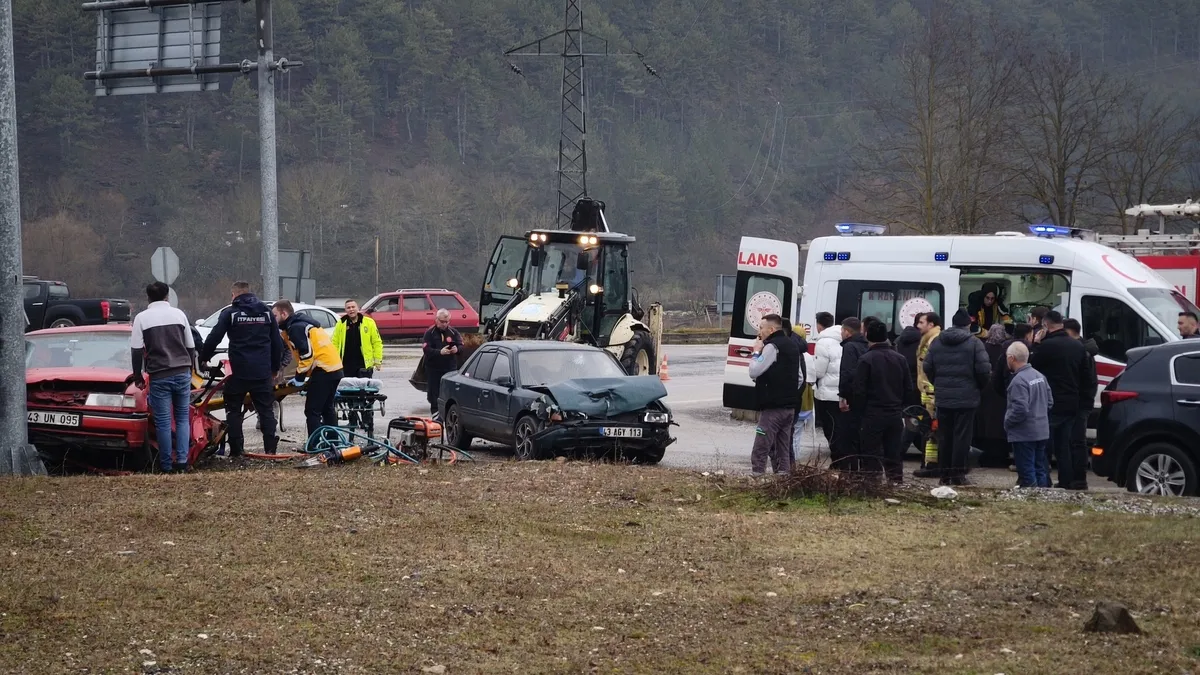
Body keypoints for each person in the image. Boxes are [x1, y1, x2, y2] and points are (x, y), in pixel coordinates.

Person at [200, 281, 284, 456]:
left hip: (238, 371)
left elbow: (215, 336)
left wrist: (204, 357)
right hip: (261, 371)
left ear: (234, 295)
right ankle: (270, 449)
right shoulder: (266, 313)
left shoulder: (230, 313)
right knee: (266, 410)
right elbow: (277, 344)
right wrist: (275, 368)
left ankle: (237, 450)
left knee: (233, 410)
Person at [131, 282, 196, 473]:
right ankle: (182, 461)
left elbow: (136, 350)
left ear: (148, 297)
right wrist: (189, 368)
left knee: (163, 422)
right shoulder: (179, 314)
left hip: (159, 374)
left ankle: (166, 465)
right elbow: (190, 345)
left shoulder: (141, 318)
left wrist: (137, 376)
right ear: (167, 296)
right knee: (183, 418)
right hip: (182, 371)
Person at [1028, 311, 1095, 490]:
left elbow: (1031, 367)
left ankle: (1044, 480)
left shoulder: (1046, 346)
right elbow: (1087, 377)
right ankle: (1066, 480)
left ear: (1046, 326)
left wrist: (1035, 344)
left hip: (1049, 402)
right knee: (1064, 445)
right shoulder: (1078, 347)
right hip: (1072, 403)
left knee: (1044, 444)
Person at [923, 309, 990, 485]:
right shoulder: (975, 343)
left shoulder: (937, 342)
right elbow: (984, 371)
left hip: (944, 397)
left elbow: (927, 367)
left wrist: (938, 384)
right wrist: (977, 387)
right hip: (967, 399)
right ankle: (958, 475)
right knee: (962, 437)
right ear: (968, 324)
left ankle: (944, 475)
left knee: (944, 436)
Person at [852, 320, 914, 482]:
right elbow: (908, 388)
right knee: (893, 452)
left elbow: (859, 390)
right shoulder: (900, 359)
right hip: (894, 414)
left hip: (872, 414)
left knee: (870, 453)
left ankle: (872, 484)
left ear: (866, 335)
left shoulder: (866, 359)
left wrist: (859, 412)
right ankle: (895, 482)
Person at [274, 300, 344, 440]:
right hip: (334, 368)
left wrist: (299, 377)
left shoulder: (295, 327)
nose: (273, 319)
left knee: (312, 410)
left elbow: (307, 355)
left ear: (284, 313)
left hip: (324, 369)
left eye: (275, 315)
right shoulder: (303, 324)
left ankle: (315, 443)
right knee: (327, 408)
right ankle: (333, 441)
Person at [748, 313, 800, 475]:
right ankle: (783, 478)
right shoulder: (792, 345)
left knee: (761, 443)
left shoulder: (772, 347)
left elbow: (754, 371)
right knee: (783, 446)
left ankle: (757, 475)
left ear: (771, 329)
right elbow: (800, 377)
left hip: (772, 407)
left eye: (761, 328)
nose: (759, 332)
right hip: (789, 408)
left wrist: (756, 352)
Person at [1004, 341, 1053, 488]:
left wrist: (1008, 422)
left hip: (1024, 432)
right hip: (1042, 430)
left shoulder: (1018, 381)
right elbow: (1049, 402)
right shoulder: (1039, 376)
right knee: (1040, 467)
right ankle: (1042, 495)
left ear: (1011, 358)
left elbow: (1020, 409)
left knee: (1027, 469)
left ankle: (1031, 495)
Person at [1064, 317, 1098, 489]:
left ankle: (1078, 479)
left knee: (1077, 441)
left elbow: (1085, 381)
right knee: (1076, 440)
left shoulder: (1081, 352)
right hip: (1081, 402)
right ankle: (1075, 478)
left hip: (1078, 403)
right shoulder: (1085, 351)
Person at [975, 323, 1012, 466]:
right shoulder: (1006, 350)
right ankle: (1000, 456)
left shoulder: (983, 347)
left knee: (985, 424)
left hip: (985, 392)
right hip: (1000, 393)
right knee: (1000, 425)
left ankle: (985, 455)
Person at [835, 317, 868, 470]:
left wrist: (843, 397)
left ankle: (850, 472)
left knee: (848, 438)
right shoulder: (867, 345)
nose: (840, 333)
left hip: (852, 398)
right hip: (866, 398)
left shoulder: (849, 347)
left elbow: (846, 373)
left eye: (842, 330)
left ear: (847, 332)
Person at [913, 312, 942, 478]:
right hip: (928, 391)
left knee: (932, 430)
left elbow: (930, 368)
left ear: (931, 325)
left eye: (921, 322)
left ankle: (932, 465)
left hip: (931, 392)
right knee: (928, 429)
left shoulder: (933, 340)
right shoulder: (930, 339)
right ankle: (929, 463)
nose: (918, 326)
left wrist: (930, 391)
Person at [423, 308, 464, 419]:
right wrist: (439, 352)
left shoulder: (453, 332)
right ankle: (436, 418)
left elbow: (461, 345)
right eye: (442, 322)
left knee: (450, 393)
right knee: (434, 394)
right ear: (436, 320)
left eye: (447, 322)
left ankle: (449, 417)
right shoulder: (429, 333)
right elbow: (426, 350)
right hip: (434, 369)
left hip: (449, 368)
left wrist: (457, 349)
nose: (444, 324)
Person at [810, 312, 842, 448]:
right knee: (839, 428)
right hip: (841, 393)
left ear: (818, 325)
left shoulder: (823, 342)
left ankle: (837, 459)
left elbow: (819, 371)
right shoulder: (841, 339)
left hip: (827, 393)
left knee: (830, 429)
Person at [332, 300, 383, 378]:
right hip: (346, 366)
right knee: (347, 389)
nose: (351, 309)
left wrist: (378, 361)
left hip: (364, 366)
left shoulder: (369, 322)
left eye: (353, 307)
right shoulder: (340, 324)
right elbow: (334, 343)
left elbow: (377, 342)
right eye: (348, 308)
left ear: (358, 308)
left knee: (363, 389)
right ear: (345, 310)